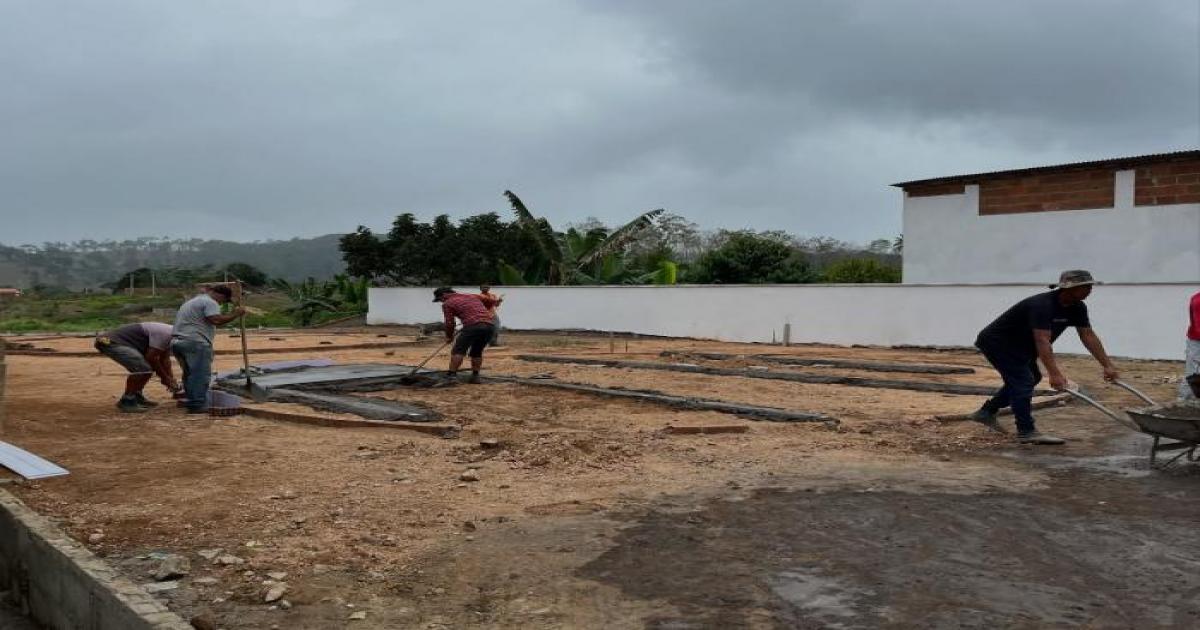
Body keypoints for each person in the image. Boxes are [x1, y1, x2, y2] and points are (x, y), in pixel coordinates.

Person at [972, 270, 1119, 444]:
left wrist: (1107, 365)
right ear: (1068, 288)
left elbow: (1088, 335)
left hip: (1022, 345)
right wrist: (1055, 374)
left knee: (1031, 378)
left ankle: (986, 412)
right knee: (1023, 381)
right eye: (1085, 287)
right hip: (998, 342)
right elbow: (1042, 340)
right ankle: (1026, 431)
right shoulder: (1043, 305)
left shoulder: (1078, 307)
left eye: (1090, 286)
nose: (1089, 290)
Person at [171, 285, 245, 413]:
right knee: (200, 375)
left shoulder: (193, 301)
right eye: (223, 301)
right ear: (220, 295)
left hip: (179, 341)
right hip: (195, 342)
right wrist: (235, 314)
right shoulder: (210, 302)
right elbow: (215, 319)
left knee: (190, 374)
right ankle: (197, 404)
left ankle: (192, 400)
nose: (221, 304)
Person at [94, 322, 181, 412]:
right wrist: (165, 378)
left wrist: (171, 379)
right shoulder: (167, 334)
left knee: (146, 370)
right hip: (110, 342)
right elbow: (151, 358)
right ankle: (127, 400)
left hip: (118, 342)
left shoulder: (173, 335)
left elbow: (164, 359)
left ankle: (136, 396)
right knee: (142, 369)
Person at [433, 287, 496, 383]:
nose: (441, 302)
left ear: (443, 295)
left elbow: (450, 323)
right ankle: (475, 377)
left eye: (440, 300)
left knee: (458, 351)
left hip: (473, 326)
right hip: (490, 326)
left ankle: (451, 376)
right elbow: (491, 301)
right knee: (477, 351)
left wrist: (449, 336)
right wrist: (486, 312)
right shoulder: (470, 296)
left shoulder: (447, 303)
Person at [1182, 290, 1200, 400]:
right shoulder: (1198, 301)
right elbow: (1199, 328)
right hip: (1197, 343)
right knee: (1193, 375)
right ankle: (1184, 402)